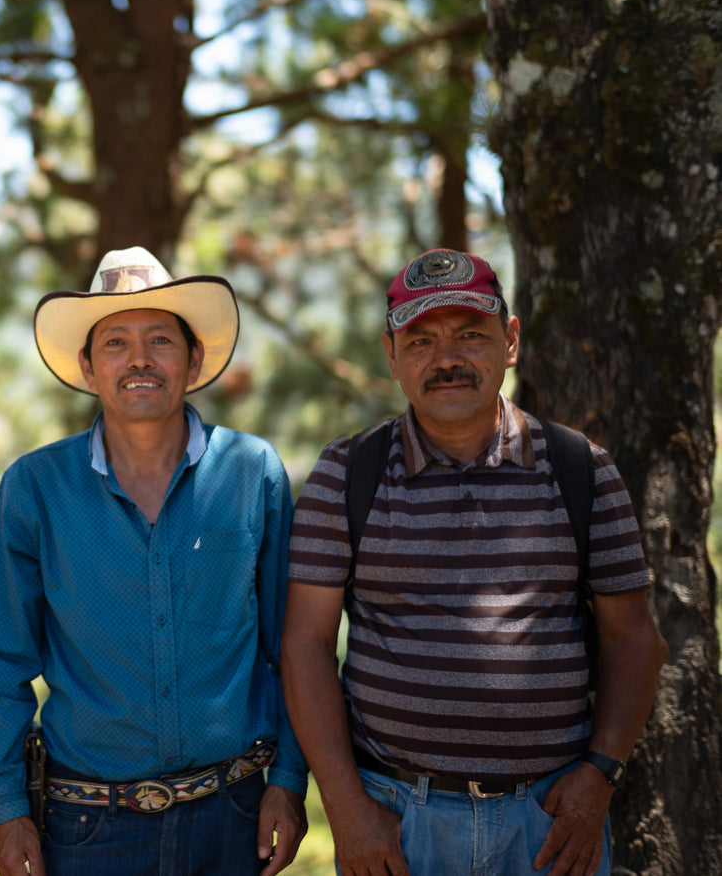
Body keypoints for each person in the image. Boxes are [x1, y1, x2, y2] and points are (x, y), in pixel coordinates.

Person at [282, 248, 668, 876]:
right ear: (391, 355)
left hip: (549, 822)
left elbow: (635, 640)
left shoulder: (582, 470)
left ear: (509, 340)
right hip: (397, 822)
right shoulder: (346, 473)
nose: (447, 360)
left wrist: (600, 776)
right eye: (421, 341)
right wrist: (348, 808)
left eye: (470, 335)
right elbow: (305, 643)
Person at [0, 247, 309, 876]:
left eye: (160, 340)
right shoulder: (36, 486)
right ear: (89, 366)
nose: (140, 359)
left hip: (232, 813)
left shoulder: (252, 471)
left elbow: (291, 644)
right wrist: (6, 810)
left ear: (194, 359)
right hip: (87, 827)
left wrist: (288, 779)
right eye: (116, 342)